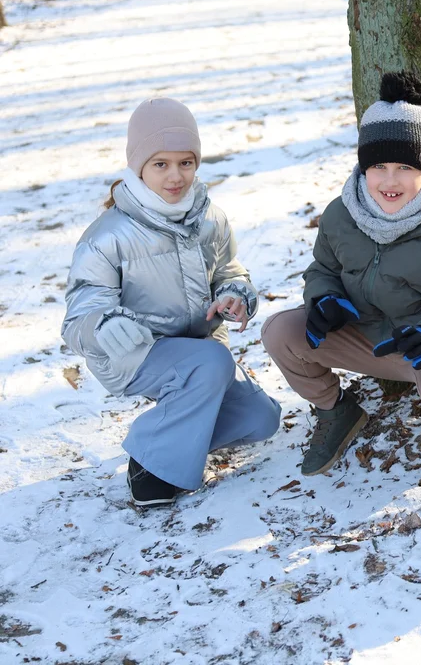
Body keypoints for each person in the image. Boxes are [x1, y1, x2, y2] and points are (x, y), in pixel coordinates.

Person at [261, 72, 421, 475]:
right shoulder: (342, 214)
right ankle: (336, 411)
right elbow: (323, 268)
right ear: (364, 168)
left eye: (405, 167)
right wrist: (323, 299)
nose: (390, 181)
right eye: (378, 166)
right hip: (361, 336)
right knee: (279, 333)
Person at [62, 97, 281, 508]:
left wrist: (235, 295)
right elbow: (78, 316)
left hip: (196, 350)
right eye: (160, 164)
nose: (175, 176)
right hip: (134, 352)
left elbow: (230, 271)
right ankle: (150, 462)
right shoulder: (108, 235)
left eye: (186, 162)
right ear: (138, 166)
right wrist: (105, 324)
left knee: (262, 418)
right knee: (214, 362)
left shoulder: (209, 217)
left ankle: (178, 439)